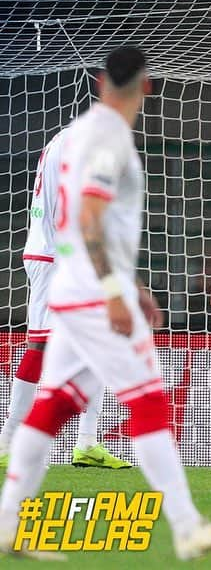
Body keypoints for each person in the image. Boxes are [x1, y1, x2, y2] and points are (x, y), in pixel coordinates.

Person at [0, 47, 211, 561]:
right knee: (147, 399)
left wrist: (130, 282)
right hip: (93, 296)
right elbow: (91, 216)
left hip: (72, 284)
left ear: (99, 83)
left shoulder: (71, 135)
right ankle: (186, 527)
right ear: (147, 86)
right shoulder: (111, 138)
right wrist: (116, 291)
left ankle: (7, 523)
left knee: (54, 406)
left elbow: (83, 221)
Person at [0, 129, 131, 471]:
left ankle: (85, 443)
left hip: (52, 253)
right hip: (58, 256)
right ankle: (7, 443)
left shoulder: (67, 138)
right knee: (40, 347)